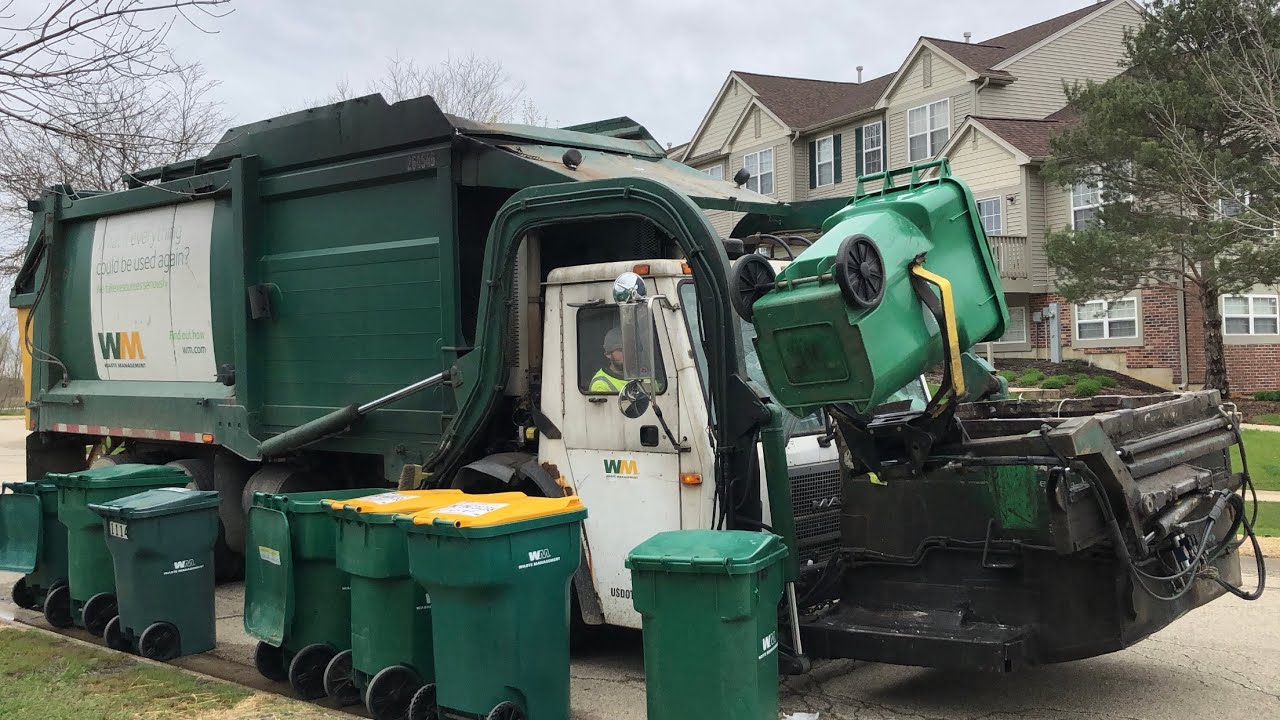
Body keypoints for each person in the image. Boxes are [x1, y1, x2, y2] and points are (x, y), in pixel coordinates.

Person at [591, 327, 627, 393]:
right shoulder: (601, 384)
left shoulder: (644, 376)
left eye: (630, 349)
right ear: (608, 354)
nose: (627, 353)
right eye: (620, 350)